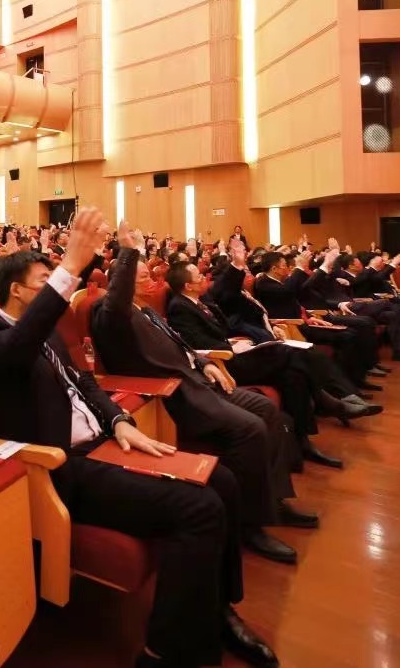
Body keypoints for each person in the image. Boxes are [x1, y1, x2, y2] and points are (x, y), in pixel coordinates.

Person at [0, 208, 277, 668]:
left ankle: (219, 610)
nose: (53, 287)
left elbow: (85, 383)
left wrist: (120, 421)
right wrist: (71, 266)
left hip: (105, 443)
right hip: (60, 464)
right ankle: (163, 653)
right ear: (16, 290)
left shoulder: (48, 334)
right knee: (200, 508)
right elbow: (15, 351)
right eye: (44, 280)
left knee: (223, 481)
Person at [92, 222, 316, 566]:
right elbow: (117, 304)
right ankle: (249, 525)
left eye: (148, 275)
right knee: (251, 428)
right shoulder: (109, 313)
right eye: (140, 276)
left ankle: (274, 503)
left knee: (266, 409)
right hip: (175, 396)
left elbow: (181, 345)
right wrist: (128, 252)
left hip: (199, 381)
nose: (150, 281)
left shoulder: (147, 310)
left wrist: (204, 362)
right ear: (120, 281)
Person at [165, 263, 378, 470]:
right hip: (223, 364)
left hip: (234, 350)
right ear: (188, 286)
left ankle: (302, 443)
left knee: (294, 375)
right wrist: (231, 346)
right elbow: (197, 343)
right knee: (293, 353)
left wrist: (233, 340)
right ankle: (332, 402)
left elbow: (220, 330)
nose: (205, 279)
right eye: (199, 277)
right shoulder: (179, 307)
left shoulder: (202, 301)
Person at [253, 252, 388, 390]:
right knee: (348, 336)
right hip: (293, 327)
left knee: (351, 333)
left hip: (306, 321)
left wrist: (310, 316)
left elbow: (300, 295)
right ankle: (348, 385)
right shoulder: (264, 283)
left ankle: (355, 380)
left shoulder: (281, 281)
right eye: (284, 266)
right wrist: (299, 267)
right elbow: (291, 291)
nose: (288, 268)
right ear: (274, 269)